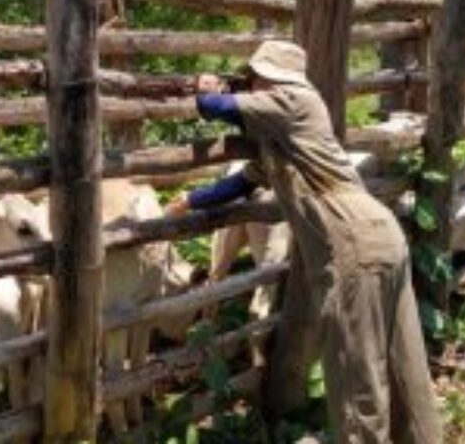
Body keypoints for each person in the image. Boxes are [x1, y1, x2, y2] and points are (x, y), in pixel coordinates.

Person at [165, 39, 443, 443]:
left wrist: (206, 89)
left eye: (251, 78)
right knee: (404, 365)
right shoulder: (284, 138)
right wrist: (190, 200)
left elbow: (217, 108)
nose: (246, 86)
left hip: (353, 242)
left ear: (269, 78)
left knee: (356, 375)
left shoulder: (294, 100)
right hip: (379, 235)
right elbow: (241, 184)